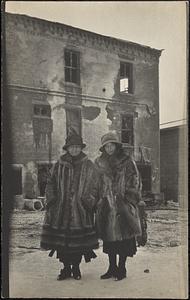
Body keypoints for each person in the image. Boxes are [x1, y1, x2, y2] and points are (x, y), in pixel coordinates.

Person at [40, 133, 99, 280]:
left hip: (80, 210)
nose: (74, 150)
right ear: (67, 148)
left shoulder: (88, 165)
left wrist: (88, 201)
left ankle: (76, 268)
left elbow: (95, 185)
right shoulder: (59, 165)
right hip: (61, 210)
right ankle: (66, 268)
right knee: (63, 243)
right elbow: (50, 183)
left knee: (78, 243)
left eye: (77, 147)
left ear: (80, 148)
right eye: (72, 147)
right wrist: (52, 200)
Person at [95, 131, 143, 281]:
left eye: (112, 145)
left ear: (116, 146)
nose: (109, 148)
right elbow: (95, 183)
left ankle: (121, 268)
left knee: (124, 240)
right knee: (109, 240)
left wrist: (128, 198)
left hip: (123, 206)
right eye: (106, 146)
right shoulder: (99, 163)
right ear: (103, 148)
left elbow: (136, 181)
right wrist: (99, 199)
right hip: (107, 207)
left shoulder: (127, 161)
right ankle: (111, 267)